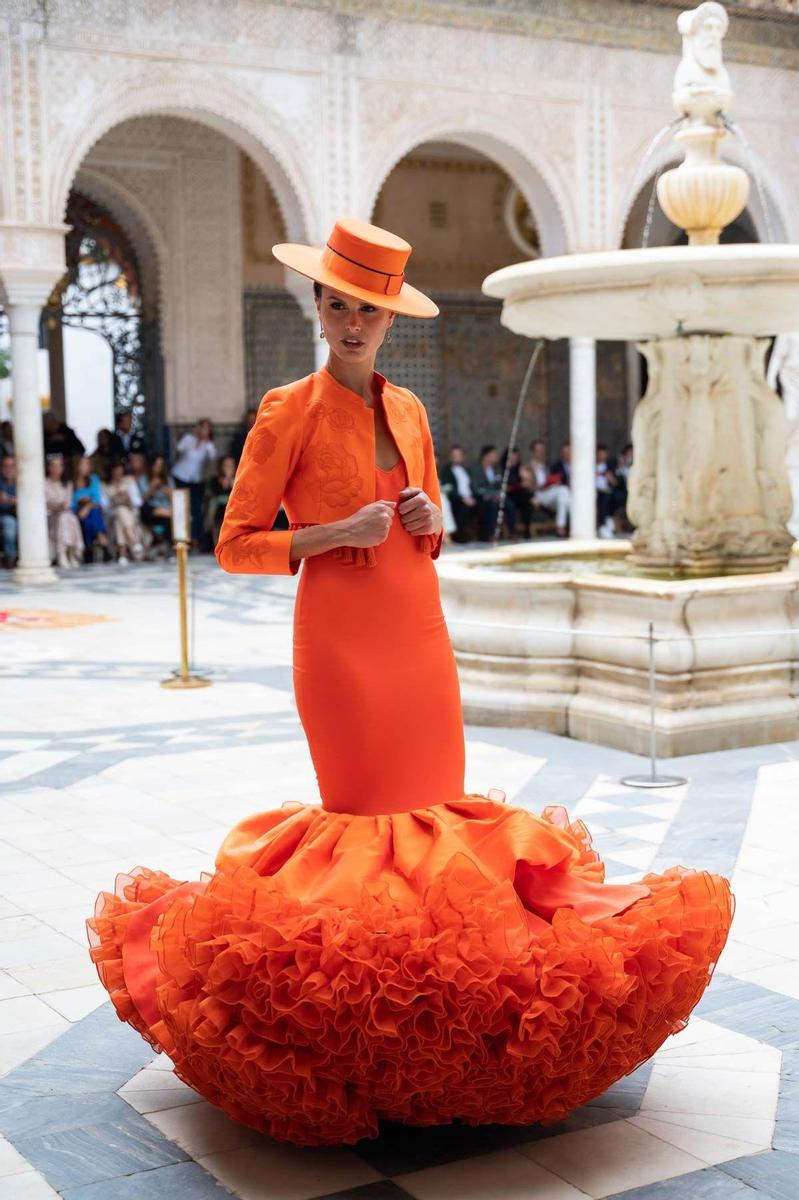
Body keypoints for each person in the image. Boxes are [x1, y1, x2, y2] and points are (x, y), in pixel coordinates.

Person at [88, 218, 732, 1148]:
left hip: (418, 632)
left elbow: (426, 535)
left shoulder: (412, 412)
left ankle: (434, 1025)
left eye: (370, 309)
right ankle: (359, 1036)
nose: (353, 323)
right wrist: (325, 536)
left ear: (389, 319)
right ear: (318, 307)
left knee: (440, 819)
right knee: (370, 825)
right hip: (342, 646)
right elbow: (236, 544)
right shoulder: (289, 410)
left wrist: (428, 519)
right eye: (339, 305)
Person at [171, 418, 217, 547]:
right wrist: (194, 439)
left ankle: (196, 540)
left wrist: (205, 443)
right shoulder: (188, 439)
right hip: (181, 476)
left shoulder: (209, 445)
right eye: (202, 427)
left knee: (196, 509)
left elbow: (213, 458)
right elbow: (179, 449)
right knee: (182, 506)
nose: (204, 431)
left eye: (207, 428)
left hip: (196, 480)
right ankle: (181, 539)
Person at [44, 454, 83, 568]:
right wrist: (56, 507)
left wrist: (60, 507)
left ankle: (68, 552)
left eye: (59, 466)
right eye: (54, 466)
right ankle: (64, 553)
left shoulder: (67, 484)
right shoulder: (44, 483)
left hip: (64, 514)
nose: (57, 469)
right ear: (49, 468)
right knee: (65, 518)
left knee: (67, 517)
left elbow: (68, 504)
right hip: (50, 516)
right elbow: (45, 503)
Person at [472, 443, 516, 540]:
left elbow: (500, 484)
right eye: (494, 454)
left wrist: (499, 494)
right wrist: (491, 495)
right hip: (483, 499)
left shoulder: (496, 469)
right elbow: (476, 488)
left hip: (497, 497)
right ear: (486, 455)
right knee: (491, 507)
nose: (496, 457)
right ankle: (490, 534)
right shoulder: (476, 469)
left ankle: (512, 532)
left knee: (510, 505)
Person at [104, 462, 145, 564]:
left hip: (131, 513)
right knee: (119, 511)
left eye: (120, 471)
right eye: (116, 471)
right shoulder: (106, 486)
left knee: (120, 517)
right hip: (113, 515)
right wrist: (114, 499)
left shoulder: (129, 481)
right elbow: (105, 508)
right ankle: (134, 541)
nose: (118, 474)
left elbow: (138, 502)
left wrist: (128, 498)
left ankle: (123, 554)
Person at [529, 438, 571, 536]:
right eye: (538, 451)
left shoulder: (547, 466)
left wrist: (553, 483)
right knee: (564, 490)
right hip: (537, 495)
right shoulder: (527, 467)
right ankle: (579, 522)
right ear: (533, 452)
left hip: (549, 493)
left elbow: (550, 480)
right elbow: (528, 486)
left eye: (542, 451)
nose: (540, 453)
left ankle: (560, 528)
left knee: (563, 497)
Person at [71, 456, 110, 561]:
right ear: (77, 466)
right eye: (84, 464)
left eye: (88, 464)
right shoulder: (71, 482)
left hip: (91, 509)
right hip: (76, 511)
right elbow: (71, 502)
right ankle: (103, 543)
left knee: (93, 513)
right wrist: (81, 502)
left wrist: (87, 507)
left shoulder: (94, 479)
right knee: (90, 515)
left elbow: (97, 500)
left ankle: (89, 548)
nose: (87, 467)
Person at [439, 445, 477, 542]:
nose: (456, 457)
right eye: (454, 455)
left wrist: (473, 498)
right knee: (464, 508)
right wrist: (463, 498)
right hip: (457, 499)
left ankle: (486, 535)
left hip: (471, 498)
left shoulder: (466, 470)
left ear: (462, 456)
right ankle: (460, 536)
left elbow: (472, 486)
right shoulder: (447, 471)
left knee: (488, 505)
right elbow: (449, 488)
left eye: (458, 455)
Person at [140, 456, 173, 553]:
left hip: (166, 509)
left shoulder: (167, 479)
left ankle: (168, 546)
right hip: (150, 510)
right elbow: (142, 499)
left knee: (169, 518)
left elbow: (175, 495)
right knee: (147, 509)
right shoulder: (143, 479)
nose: (158, 468)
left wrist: (163, 488)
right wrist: (152, 488)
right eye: (156, 465)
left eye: (161, 465)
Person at [206, 454, 236, 548]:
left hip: (233, 508)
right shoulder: (215, 480)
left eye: (230, 465)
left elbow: (240, 493)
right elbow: (214, 493)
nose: (228, 468)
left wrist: (231, 481)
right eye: (226, 465)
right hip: (219, 508)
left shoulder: (238, 479)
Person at [501, 446, 532, 537]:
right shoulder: (503, 469)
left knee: (527, 503)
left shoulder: (519, 469)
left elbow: (529, 484)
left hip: (520, 495)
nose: (514, 460)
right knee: (515, 504)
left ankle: (527, 528)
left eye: (516, 458)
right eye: (512, 458)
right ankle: (512, 532)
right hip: (509, 495)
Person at [596, 443, 619, 538]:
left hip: (608, 492)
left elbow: (615, 484)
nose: (602, 456)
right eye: (600, 454)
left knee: (609, 497)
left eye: (604, 454)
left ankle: (605, 524)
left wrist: (610, 477)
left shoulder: (611, 467)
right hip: (594, 492)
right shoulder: (588, 466)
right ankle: (603, 525)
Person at [0, 454, 17, 567]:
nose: (9, 469)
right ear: (1, 468)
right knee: (9, 523)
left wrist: (8, 500)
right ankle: (10, 558)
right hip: (4, 516)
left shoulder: (24, 482)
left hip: (21, 517)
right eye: (6, 466)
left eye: (12, 466)